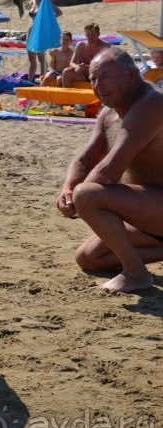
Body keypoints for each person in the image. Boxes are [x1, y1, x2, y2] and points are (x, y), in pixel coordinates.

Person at [57, 47, 163, 293]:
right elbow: (85, 159)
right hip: (147, 209)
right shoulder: (109, 112)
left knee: (88, 195)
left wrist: (77, 201)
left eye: (105, 77)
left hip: (156, 205)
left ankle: (136, 274)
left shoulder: (151, 103)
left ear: (131, 76)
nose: (97, 85)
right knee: (88, 258)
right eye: (93, 78)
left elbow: (108, 171)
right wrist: (67, 188)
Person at [26, 0, 62, 83]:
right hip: (30, 31)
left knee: (41, 58)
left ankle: (43, 81)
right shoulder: (31, 2)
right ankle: (29, 82)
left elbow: (59, 12)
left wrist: (47, 20)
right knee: (31, 59)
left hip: (39, 32)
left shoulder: (45, 3)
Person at [60, 23, 110, 88]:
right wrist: (77, 67)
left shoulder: (106, 47)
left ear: (98, 34)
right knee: (66, 72)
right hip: (85, 74)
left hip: (99, 75)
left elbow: (108, 66)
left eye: (93, 35)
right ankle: (67, 97)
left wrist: (89, 67)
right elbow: (72, 63)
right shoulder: (81, 45)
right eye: (88, 35)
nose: (90, 37)